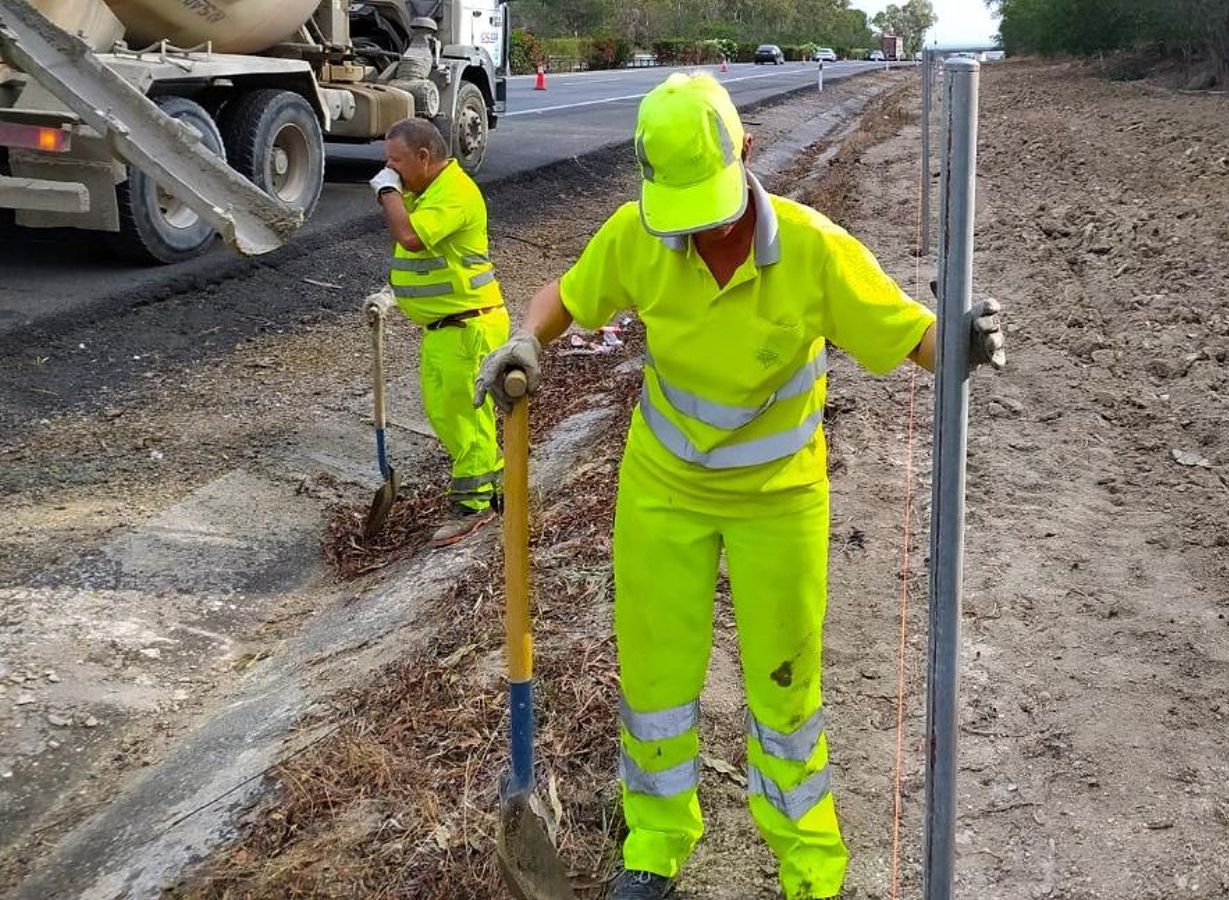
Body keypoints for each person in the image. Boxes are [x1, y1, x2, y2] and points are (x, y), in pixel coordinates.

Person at [474, 73, 1002, 900]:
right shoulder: (638, 235)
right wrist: (526, 340)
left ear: (746, 155)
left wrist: (962, 341)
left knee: (785, 689)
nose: (701, 231)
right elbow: (567, 296)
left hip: (779, 501)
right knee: (654, 684)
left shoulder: (814, 248)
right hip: (663, 489)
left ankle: (809, 865)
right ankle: (655, 843)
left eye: (710, 208)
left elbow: (911, 337)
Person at [368, 117, 507, 548]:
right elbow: (430, 262)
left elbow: (410, 238)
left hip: (468, 327)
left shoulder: (455, 193)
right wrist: (392, 296)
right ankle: (493, 487)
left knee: (466, 418)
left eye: (396, 162)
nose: (390, 170)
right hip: (446, 328)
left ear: (424, 158)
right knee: (448, 413)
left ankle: (474, 505)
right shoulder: (430, 191)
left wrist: (387, 190)